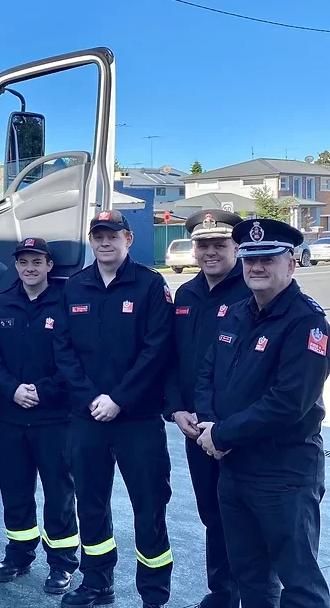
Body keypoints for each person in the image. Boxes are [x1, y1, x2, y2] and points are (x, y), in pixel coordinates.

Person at [194, 219, 330, 608]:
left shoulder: (307, 322)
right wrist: (210, 425)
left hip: (282, 474)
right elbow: (207, 373)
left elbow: (289, 402)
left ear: (291, 264)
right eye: (250, 258)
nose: (256, 267)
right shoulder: (235, 313)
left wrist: (220, 436)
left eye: (268, 258)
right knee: (249, 576)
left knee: (299, 582)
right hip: (234, 469)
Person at [54, 209, 174, 608]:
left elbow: (156, 351)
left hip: (137, 420)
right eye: (98, 236)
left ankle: (153, 595)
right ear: (91, 241)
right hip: (87, 418)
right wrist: (91, 398)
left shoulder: (150, 286)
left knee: (149, 505)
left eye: (113, 236)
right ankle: (97, 584)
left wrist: (119, 399)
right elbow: (64, 350)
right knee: (90, 504)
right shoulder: (75, 287)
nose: (105, 243)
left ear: (128, 239)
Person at [164, 209, 249, 608]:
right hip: (194, 427)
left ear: (236, 247)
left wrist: (226, 421)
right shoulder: (186, 294)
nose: (210, 252)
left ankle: (255, 592)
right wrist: (177, 409)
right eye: (203, 245)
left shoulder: (250, 289)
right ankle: (222, 591)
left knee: (247, 515)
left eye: (220, 244)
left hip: (236, 428)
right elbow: (174, 357)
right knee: (211, 512)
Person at [0, 238, 78, 595]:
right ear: (17, 266)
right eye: (24, 261)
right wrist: (11, 390)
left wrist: (43, 391)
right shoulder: (0, 304)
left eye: (37, 261)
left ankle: (62, 563)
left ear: (50, 265)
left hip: (54, 419)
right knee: (15, 491)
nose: (30, 268)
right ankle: (19, 555)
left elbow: (73, 358)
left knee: (59, 494)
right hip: (11, 418)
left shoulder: (66, 303)